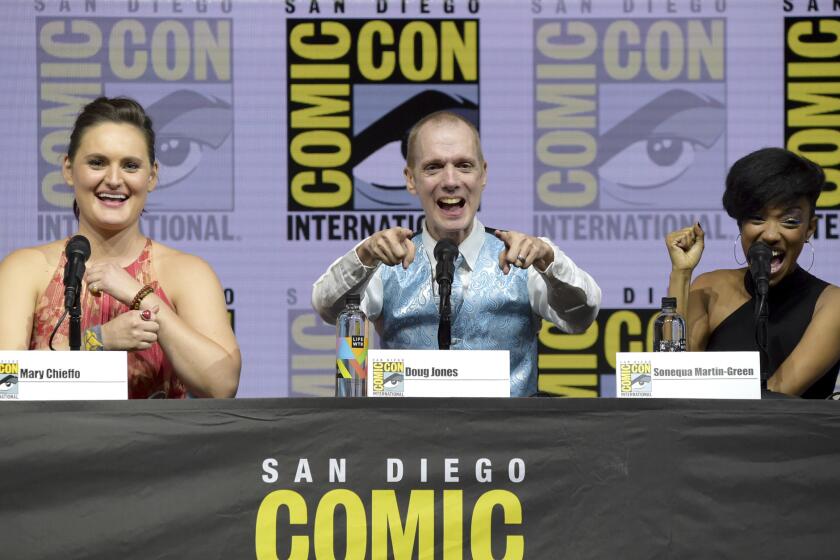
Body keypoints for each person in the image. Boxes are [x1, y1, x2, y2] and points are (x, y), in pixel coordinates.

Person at [312, 111, 601, 397]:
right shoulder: (383, 259)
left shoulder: (525, 255)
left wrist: (549, 262)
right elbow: (328, 308)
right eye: (433, 167)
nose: (450, 180)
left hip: (510, 439)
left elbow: (581, 317)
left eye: (464, 165)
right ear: (411, 179)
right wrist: (363, 257)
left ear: (483, 174)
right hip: (406, 439)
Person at [0, 97, 240, 398]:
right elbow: (5, 385)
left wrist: (140, 295)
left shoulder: (188, 273)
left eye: (130, 165)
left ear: (151, 176)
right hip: (54, 444)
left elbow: (222, 386)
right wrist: (99, 341)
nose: (114, 180)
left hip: (158, 445)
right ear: (69, 169)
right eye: (97, 162)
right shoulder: (26, 269)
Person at [666, 147, 840, 398]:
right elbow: (673, 377)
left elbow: (779, 392)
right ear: (741, 225)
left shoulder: (831, 304)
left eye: (789, 221)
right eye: (757, 219)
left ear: (809, 228)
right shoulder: (710, 287)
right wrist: (681, 273)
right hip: (706, 435)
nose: (770, 234)